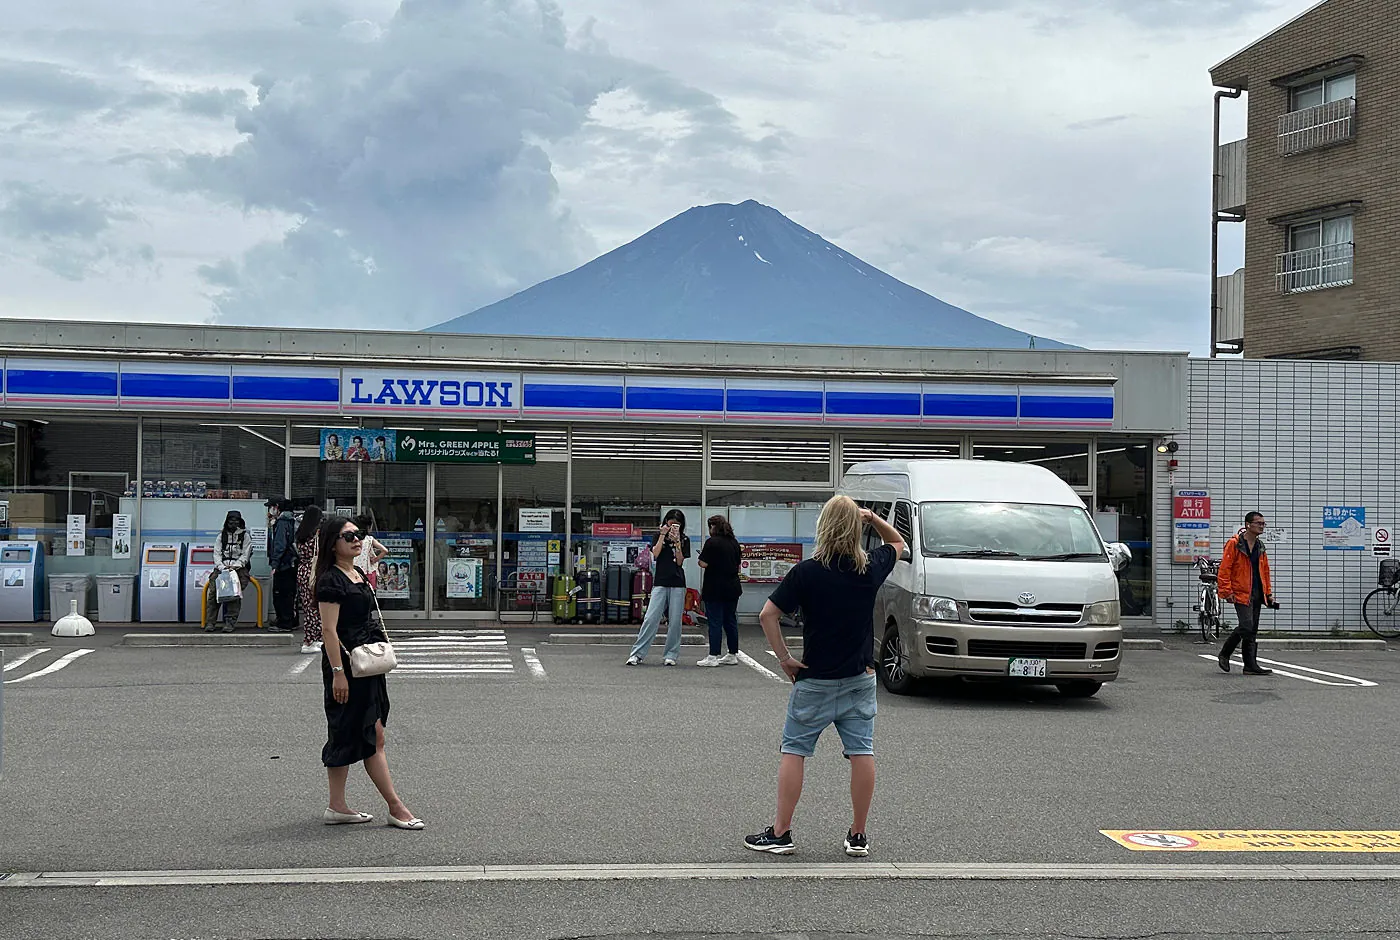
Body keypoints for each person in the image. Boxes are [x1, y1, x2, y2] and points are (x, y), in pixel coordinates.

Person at [745, 496, 904, 858]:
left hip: (814, 678)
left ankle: (781, 832)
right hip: (860, 677)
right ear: (854, 528)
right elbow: (899, 544)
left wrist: (785, 659)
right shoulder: (871, 567)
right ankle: (858, 835)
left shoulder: (807, 572)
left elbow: (768, 615)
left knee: (795, 750)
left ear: (823, 526)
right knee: (861, 751)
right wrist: (871, 518)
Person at [315, 517, 423, 830]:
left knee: (360, 731)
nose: (357, 540)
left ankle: (337, 806)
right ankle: (396, 806)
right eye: (348, 536)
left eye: (359, 535)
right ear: (332, 542)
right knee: (359, 732)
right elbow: (328, 630)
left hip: (368, 663)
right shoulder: (330, 580)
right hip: (347, 666)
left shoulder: (358, 572)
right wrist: (338, 673)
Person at [626, 509, 691, 666]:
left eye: (677, 524)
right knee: (650, 618)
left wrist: (677, 543)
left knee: (675, 621)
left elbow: (680, 562)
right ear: (665, 522)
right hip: (660, 581)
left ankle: (671, 655)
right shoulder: (657, 536)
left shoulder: (684, 539)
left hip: (677, 583)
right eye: (671, 524)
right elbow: (655, 554)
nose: (674, 527)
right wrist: (663, 535)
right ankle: (637, 654)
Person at [1216, 511, 1276, 676]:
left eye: (1264, 523)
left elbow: (1265, 571)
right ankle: (1225, 653)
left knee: (1252, 629)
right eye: (1259, 523)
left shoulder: (1260, 546)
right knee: (1246, 626)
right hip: (1241, 591)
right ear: (1248, 524)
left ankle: (1250, 665)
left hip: (1257, 591)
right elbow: (1225, 569)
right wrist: (1226, 591)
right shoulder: (1235, 544)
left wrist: (1268, 593)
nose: (1262, 526)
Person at [697, 514, 743, 667]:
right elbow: (737, 563)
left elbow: (703, 563)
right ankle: (732, 654)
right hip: (732, 587)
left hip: (715, 587)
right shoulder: (734, 543)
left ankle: (713, 656)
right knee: (730, 620)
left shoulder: (712, 542)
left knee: (715, 621)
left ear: (713, 527)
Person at [204, 510, 252, 633]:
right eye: (231, 520)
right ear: (227, 521)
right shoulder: (221, 536)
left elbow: (245, 555)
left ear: (240, 522)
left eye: (236, 520)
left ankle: (230, 623)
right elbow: (217, 553)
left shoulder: (245, 536)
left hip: (238, 569)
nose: (233, 523)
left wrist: (235, 566)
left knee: (234, 596)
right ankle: (210, 622)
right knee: (213, 594)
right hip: (222, 568)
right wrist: (222, 567)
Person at [266, 497, 298, 633]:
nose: (269, 510)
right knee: (290, 593)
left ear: (277, 507)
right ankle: (291, 619)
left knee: (281, 594)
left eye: (271, 507)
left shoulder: (282, 522)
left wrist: (275, 564)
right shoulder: (292, 520)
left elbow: (280, 544)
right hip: (292, 563)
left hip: (284, 564)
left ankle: (284, 622)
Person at [296, 505, 324, 654]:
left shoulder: (301, 534)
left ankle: (312, 639)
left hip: (303, 570)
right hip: (314, 571)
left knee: (309, 606)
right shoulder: (317, 536)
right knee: (315, 607)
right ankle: (310, 640)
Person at [354, 512, 390, 588]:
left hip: (354, 572)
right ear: (368, 527)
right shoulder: (369, 539)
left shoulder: (353, 539)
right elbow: (385, 550)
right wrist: (375, 559)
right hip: (368, 572)